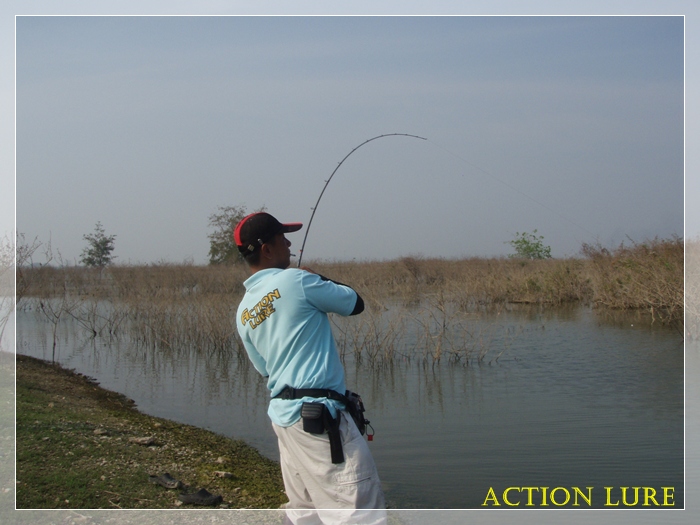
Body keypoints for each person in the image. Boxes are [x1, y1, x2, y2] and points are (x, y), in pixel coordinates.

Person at [233, 212, 387, 525]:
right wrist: (317, 276)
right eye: (282, 238)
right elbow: (354, 303)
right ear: (266, 249)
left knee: (305, 512)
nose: (289, 243)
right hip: (321, 421)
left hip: (286, 422)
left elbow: (264, 369)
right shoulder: (297, 280)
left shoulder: (244, 310)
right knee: (359, 513)